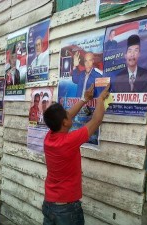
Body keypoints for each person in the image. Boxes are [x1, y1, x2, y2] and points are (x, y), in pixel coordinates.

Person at [42, 84, 110, 225]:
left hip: (49, 204)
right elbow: (96, 120)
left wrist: (84, 99)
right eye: (66, 114)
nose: (69, 113)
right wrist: (100, 100)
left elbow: (67, 116)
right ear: (65, 122)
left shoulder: (50, 137)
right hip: (66, 209)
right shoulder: (68, 142)